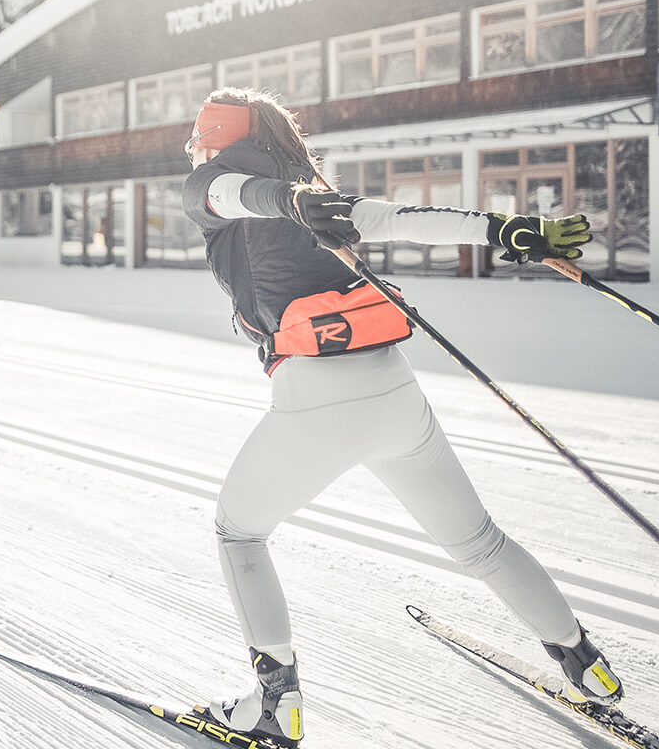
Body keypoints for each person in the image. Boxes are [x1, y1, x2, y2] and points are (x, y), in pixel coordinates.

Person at [179, 88, 619, 747]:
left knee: (238, 533)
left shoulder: (217, 185)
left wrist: (289, 200)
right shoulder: (309, 193)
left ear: (211, 142)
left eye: (199, 144)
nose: (196, 155)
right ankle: (588, 668)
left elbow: (228, 196)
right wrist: (508, 230)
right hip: (395, 395)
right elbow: (405, 216)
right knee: (480, 543)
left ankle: (275, 704)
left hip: (315, 403)